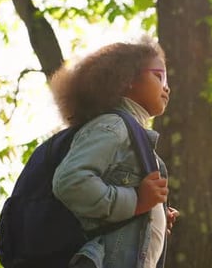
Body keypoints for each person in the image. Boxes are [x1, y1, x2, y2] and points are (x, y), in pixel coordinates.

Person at [49, 35, 179, 268]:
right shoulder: (113, 126)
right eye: (158, 76)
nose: (167, 87)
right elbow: (70, 181)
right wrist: (138, 201)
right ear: (127, 79)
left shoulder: (136, 139)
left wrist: (151, 217)